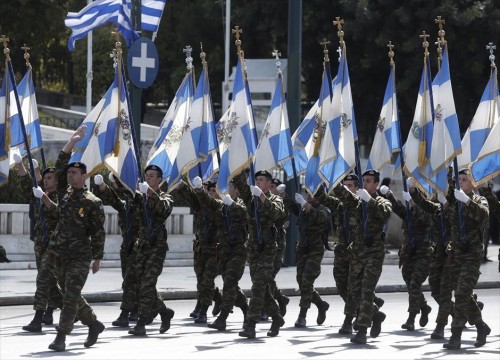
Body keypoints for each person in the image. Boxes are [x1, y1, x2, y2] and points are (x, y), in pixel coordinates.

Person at [33, 158, 106, 352]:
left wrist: (97, 258)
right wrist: (45, 199)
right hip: (58, 252)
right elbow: (59, 214)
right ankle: (93, 324)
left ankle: (61, 336)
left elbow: (98, 232)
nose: (69, 175)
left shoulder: (93, 202)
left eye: (74, 173)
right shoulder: (65, 195)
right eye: (68, 172)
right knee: (69, 294)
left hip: (79, 256)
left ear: (84, 176)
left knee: (71, 295)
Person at [332, 169, 392, 344]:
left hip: (374, 251)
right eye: (363, 180)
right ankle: (375, 313)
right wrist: (336, 177)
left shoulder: (381, 201)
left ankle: (363, 330)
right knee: (354, 290)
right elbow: (341, 193)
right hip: (357, 251)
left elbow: (385, 213)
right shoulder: (357, 202)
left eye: (368, 181)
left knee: (366, 289)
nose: (365, 183)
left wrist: (370, 200)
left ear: (376, 184)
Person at [188, 177, 250, 331]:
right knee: (232, 286)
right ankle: (246, 310)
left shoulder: (242, 204)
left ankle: (222, 318)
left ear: (236, 190)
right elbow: (208, 202)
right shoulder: (222, 205)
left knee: (229, 283)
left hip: (238, 251)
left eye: (229, 186)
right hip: (223, 251)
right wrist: (198, 189)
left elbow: (244, 214)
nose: (225, 189)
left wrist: (232, 204)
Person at [233, 169, 286, 339]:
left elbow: (275, 213)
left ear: (270, 184)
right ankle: (277, 317)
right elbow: (240, 184)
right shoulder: (250, 199)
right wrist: (244, 169)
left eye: (262, 180)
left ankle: (250, 324)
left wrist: (262, 197)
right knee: (261, 288)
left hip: (269, 248)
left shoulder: (276, 199)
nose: (258, 182)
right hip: (254, 248)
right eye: (256, 180)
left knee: (257, 287)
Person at [128, 165, 175, 336]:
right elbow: (127, 202)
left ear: (159, 180)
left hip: (157, 246)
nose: (148, 178)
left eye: (152, 176)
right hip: (142, 246)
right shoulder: (140, 196)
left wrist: (149, 193)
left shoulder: (165, 197)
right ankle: (164, 311)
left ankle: (141, 322)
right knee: (142, 285)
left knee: (148, 283)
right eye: (146, 175)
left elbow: (163, 209)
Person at [380, 183, 432, 331]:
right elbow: (398, 209)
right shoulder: (409, 211)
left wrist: (413, 203)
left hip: (424, 253)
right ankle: (423, 306)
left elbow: (424, 219)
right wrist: (389, 195)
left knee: (415, 283)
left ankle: (411, 318)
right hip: (409, 253)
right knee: (410, 284)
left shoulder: (429, 209)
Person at [93, 172, 142, 328]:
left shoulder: (143, 204)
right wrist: (102, 186)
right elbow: (113, 198)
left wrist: (118, 182)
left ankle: (125, 314)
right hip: (126, 246)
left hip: (139, 247)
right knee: (130, 280)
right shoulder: (124, 205)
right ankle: (153, 308)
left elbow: (125, 192)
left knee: (130, 281)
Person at [282, 187, 330, 328]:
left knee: (307, 281)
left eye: (312, 193)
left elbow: (319, 217)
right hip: (302, 249)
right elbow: (293, 208)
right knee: (301, 281)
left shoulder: (323, 209)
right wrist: (284, 195)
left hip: (315, 250)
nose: (309, 195)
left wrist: (305, 204)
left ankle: (302, 315)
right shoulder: (303, 209)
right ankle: (321, 304)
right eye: (307, 193)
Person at [176, 178, 222, 324]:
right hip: (201, 248)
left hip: (215, 249)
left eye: (214, 190)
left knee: (207, 280)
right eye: (208, 190)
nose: (210, 192)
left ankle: (203, 310)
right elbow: (190, 197)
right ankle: (213, 299)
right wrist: (183, 186)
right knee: (201, 280)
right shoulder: (201, 205)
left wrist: (201, 193)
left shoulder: (221, 206)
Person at [268, 178, 290, 316]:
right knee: (265, 277)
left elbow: (283, 219)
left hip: (277, 244)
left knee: (268, 276)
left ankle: (268, 308)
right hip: (263, 244)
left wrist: (283, 198)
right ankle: (280, 299)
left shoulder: (280, 203)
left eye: (273, 186)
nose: (270, 188)